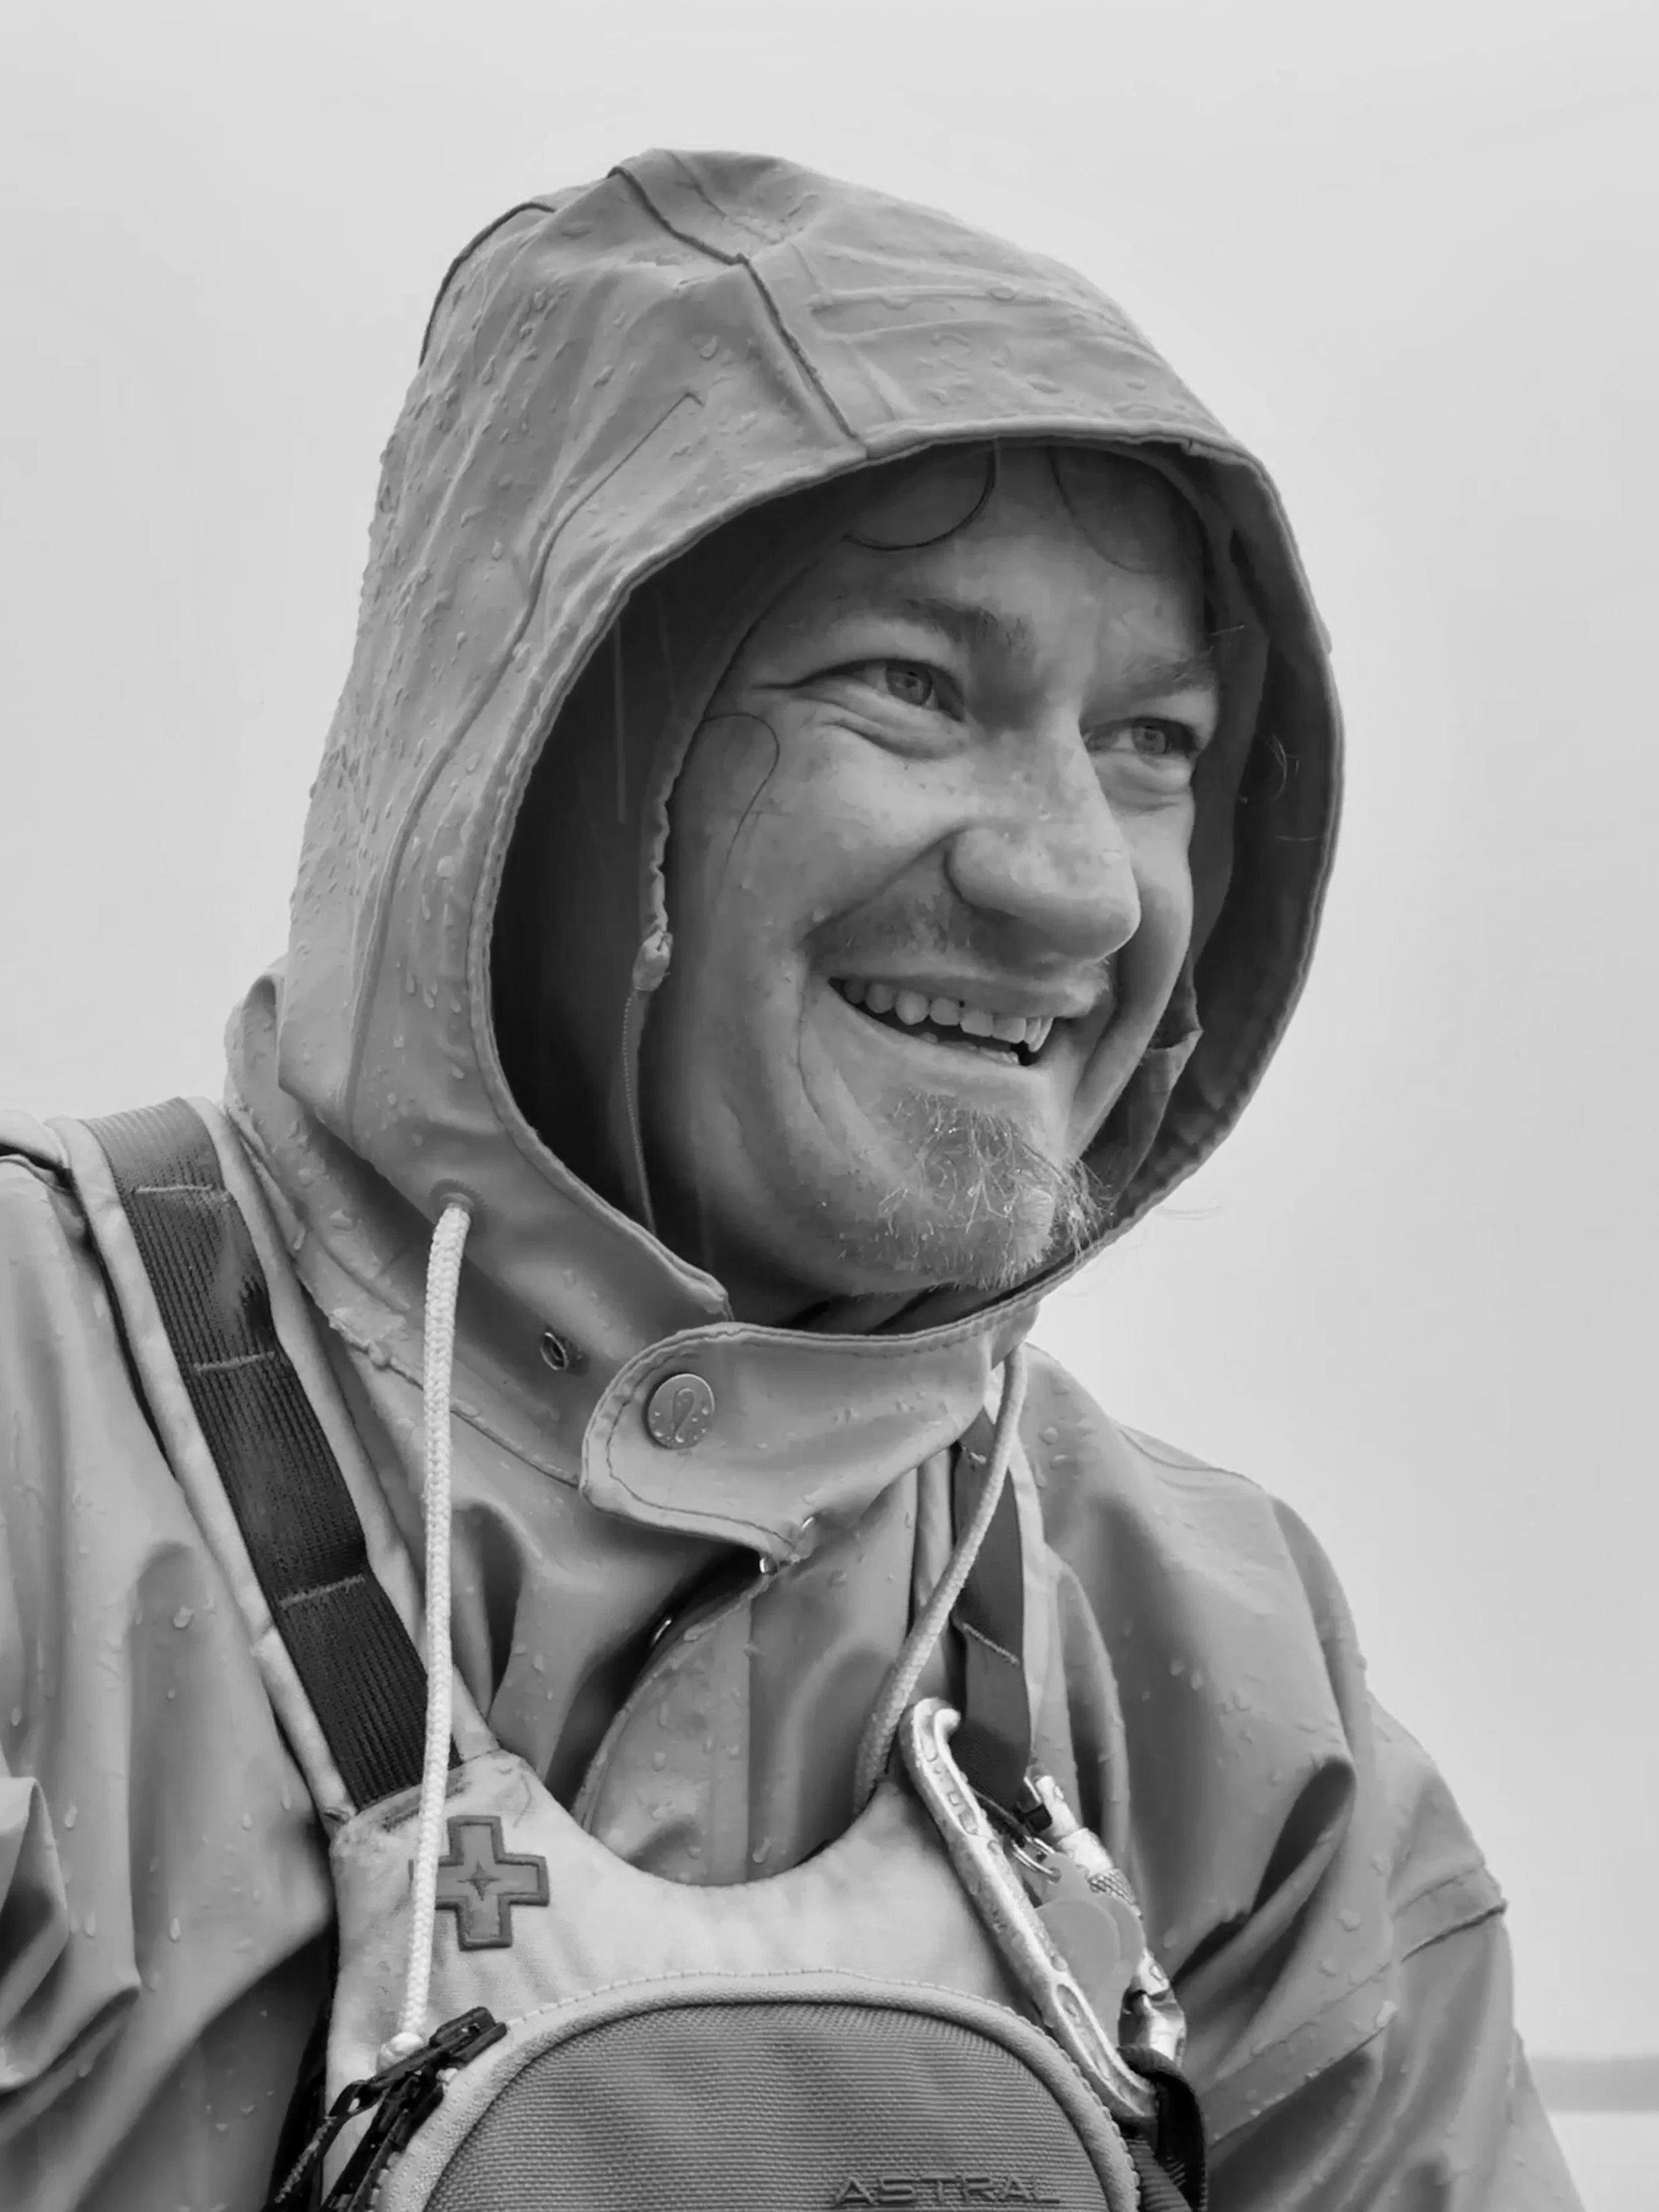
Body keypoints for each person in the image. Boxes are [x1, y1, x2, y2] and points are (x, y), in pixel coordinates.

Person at [0, 149, 1583, 2211]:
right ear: (554, 757)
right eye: (912, 688)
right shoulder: (44, 1436)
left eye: (1156, 741)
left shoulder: (1216, 1660)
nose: (1076, 883)